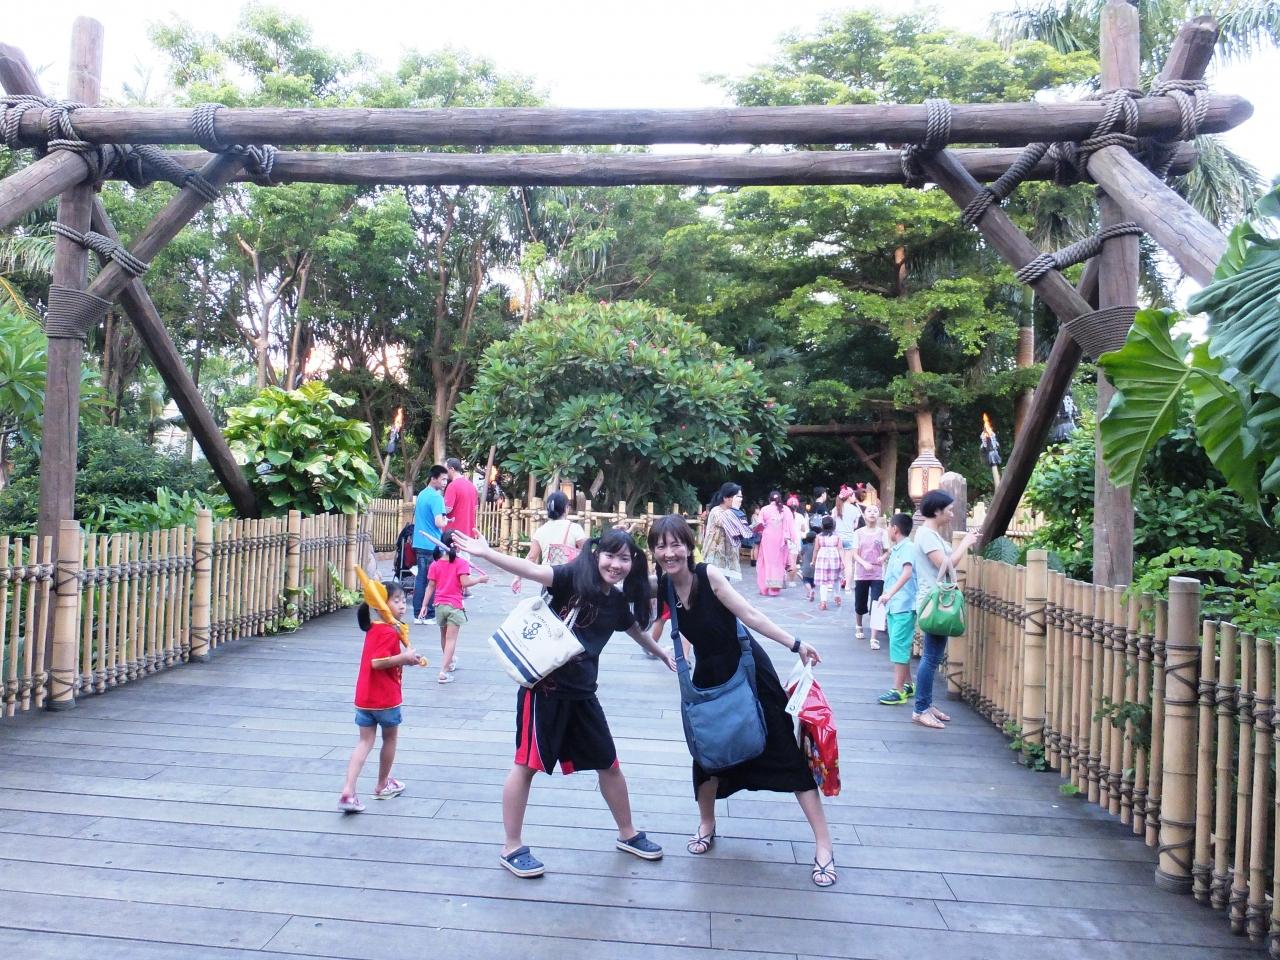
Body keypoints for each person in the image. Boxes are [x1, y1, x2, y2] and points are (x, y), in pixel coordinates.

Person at [452, 527, 675, 879]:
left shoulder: (616, 602)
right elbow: (531, 570)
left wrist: (661, 653)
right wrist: (486, 553)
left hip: (584, 694)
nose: (616, 565)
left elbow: (634, 630)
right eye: (610, 556)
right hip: (545, 691)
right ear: (596, 554)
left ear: (633, 563)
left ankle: (628, 833)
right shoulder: (572, 577)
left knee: (609, 763)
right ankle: (512, 846)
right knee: (525, 765)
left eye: (624, 558)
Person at [647, 516, 836, 888]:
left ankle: (824, 845)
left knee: (785, 752)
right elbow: (616, 585)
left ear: (689, 545)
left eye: (676, 544)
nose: (669, 553)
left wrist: (796, 644)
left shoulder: (709, 576)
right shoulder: (664, 586)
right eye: (661, 546)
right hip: (708, 676)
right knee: (706, 755)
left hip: (748, 673)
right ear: (653, 551)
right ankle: (707, 823)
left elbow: (750, 614)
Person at [337, 581, 420, 812]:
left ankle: (348, 791)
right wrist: (405, 659)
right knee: (390, 739)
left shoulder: (374, 628)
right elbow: (377, 662)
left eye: (403, 601)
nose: (402, 605)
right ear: (380, 604)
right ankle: (382, 784)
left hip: (364, 698)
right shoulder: (388, 632)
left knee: (364, 742)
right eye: (396, 601)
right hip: (385, 699)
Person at [912, 490, 979, 730]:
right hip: (935, 602)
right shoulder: (927, 535)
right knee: (931, 657)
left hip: (936, 600)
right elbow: (946, 564)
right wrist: (966, 544)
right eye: (949, 510)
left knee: (933, 656)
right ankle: (920, 709)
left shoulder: (930, 534)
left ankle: (926, 704)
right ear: (936, 511)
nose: (952, 513)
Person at [418, 530, 488, 683]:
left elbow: (430, 586)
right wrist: (480, 579)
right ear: (457, 546)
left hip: (439, 606)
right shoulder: (461, 563)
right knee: (451, 640)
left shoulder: (435, 564)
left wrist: (424, 605)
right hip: (454, 606)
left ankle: (448, 664)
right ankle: (443, 671)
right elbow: (465, 583)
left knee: (444, 637)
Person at [875, 513, 918, 706]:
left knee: (899, 646)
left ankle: (898, 690)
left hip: (903, 604)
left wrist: (889, 594)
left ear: (895, 529)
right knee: (898, 645)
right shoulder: (898, 549)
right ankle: (908, 684)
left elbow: (907, 573)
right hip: (895, 605)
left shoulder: (908, 548)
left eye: (889, 527)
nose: (887, 530)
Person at [511, 491, 587, 594]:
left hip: (548, 578)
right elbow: (586, 552)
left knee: (547, 602)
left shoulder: (541, 530)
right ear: (566, 508)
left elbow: (531, 557)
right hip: (569, 577)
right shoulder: (574, 528)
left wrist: (517, 577)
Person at [412, 465, 449, 625]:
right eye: (443, 479)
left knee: (421, 579)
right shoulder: (436, 498)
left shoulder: (421, 494)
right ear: (433, 478)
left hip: (419, 542)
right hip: (432, 544)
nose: (445, 482)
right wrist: (446, 521)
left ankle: (417, 614)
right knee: (432, 581)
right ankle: (428, 615)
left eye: (446, 479)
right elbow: (439, 522)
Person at [701, 482, 754, 582]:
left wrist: (754, 528)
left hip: (728, 559)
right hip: (715, 559)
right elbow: (727, 522)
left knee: (724, 587)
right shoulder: (716, 511)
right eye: (738, 496)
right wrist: (735, 509)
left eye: (741, 497)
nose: (740, 499)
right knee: (714, 587)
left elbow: (741, 529)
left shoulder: (735, 512)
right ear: (726, 498)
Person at [852, 504, 889, 648]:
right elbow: (855, 554)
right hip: (861, 573)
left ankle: (874, 637)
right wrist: (864, 563)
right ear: (864, 515)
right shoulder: (858, 533)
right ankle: (859, 625)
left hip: (878, 573)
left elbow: (887, 550)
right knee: (860, 602)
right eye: (869, 511)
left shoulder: (882, 532)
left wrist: (882, 558)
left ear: (878, 514)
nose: (872, 513)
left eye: (875, 511)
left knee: (877, 603)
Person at [754, 491, 794, 597]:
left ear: (769, 499)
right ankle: (774, 590)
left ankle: (764, 588)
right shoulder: (786, 510)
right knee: (778, 563)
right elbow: (791, 528)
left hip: (767, 539)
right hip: (781, 541)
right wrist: (793, 540)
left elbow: (759, 525)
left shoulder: (764, 509)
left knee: (765, 563)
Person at [811, 515, 845, 611]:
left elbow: (816, 549)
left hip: (822, 560)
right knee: (836, 579)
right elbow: (840, 549)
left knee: (823, 581)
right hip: (835, 559)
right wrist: (843, 561)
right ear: (834, 525)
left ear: (822, 525)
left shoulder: (818, 536)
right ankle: (837, 596)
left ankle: (823, 602)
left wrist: (813, 560)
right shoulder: (837, 536)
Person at [832, 485, 862, 590]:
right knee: (848, 563)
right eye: (853, 495)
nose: (854, 497)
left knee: (837, 562)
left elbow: (833, 524)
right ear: (849, 497)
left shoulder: (836, 508)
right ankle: (848, 586)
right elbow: (855, 526)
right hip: (849, 538)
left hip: (837, 539)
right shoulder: (855, 510)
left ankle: (833, 585)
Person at [443, 457, 479, 538]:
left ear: (452, 469)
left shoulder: (452, 486)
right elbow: (475, 508)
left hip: (454, 535)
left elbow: (447, 509)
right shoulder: (472, 486)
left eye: (446, 469)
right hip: (469, 534)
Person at [787, 495, 807, 583]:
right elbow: (804, 529)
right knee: (793, 562)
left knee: (786, 562)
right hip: (796, 541)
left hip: (786, 540)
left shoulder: (784, 516)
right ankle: (792, 581)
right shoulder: (800, 516)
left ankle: (784, 579)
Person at [798, 526, 817, 602]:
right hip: (815, 567)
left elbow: (800, 553)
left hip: (806, 567)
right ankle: (810, 592)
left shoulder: (804, 546)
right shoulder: (816, 548)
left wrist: (802, 559)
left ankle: (810, 591)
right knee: (813, 581)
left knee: (805, 580)